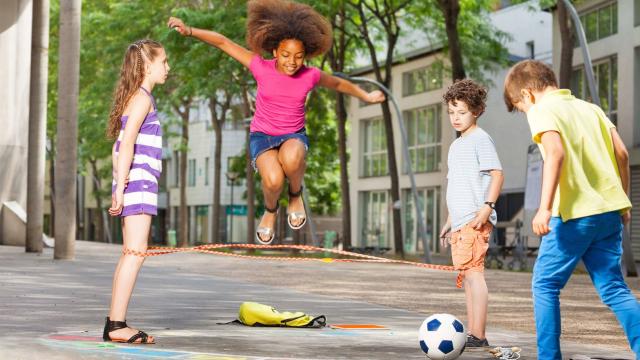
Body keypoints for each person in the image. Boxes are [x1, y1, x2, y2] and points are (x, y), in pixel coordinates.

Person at [167, 0, 385, 244]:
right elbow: (223, 42)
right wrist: (189, 30)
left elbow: (337, 83)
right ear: (274, 52)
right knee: (272, 180)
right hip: (262, 137)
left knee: (292, 159)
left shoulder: (310, 75)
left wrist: (366, 95)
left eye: (299, 56)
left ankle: (295, 195)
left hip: (293, 135)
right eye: (286, 55)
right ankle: (270, 211)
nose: (292, 61)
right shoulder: (260, 67)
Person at [503, 59, 639, 359]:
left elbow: (555, 153)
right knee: (615, 289)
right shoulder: (592, 109)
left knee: (545, 285)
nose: (525, 112)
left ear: (527, 95)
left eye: (520, 106)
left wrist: (543, 209)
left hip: (573, 216)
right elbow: (622, 154)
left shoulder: (541, 109)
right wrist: (624, 201)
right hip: (608, 214)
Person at [103, 39, 170, 344]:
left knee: (131, 253)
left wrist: (119, 185)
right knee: (135, 253)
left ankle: (114, 323)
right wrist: (120, 187)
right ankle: (117, 325)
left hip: (136, 182)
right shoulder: (142, 99)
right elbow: (126, 144)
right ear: (147, 66)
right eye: (164, 62)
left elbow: (118, 149)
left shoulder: (135, 98)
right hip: (140, 182)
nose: (167, 68)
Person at [439, 79, 504, 348]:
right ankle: (473, 331)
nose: (455, 118)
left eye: (461, 112)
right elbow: (458, 185)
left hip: (475, 220)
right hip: (460, 222)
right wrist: (449, 220)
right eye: (451, 112)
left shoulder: (480, 139)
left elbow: (497, 175)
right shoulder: (456, 146)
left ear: (476, 111)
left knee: (474, 274)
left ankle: (479, 333)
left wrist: (487, 208)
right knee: (467, 275)